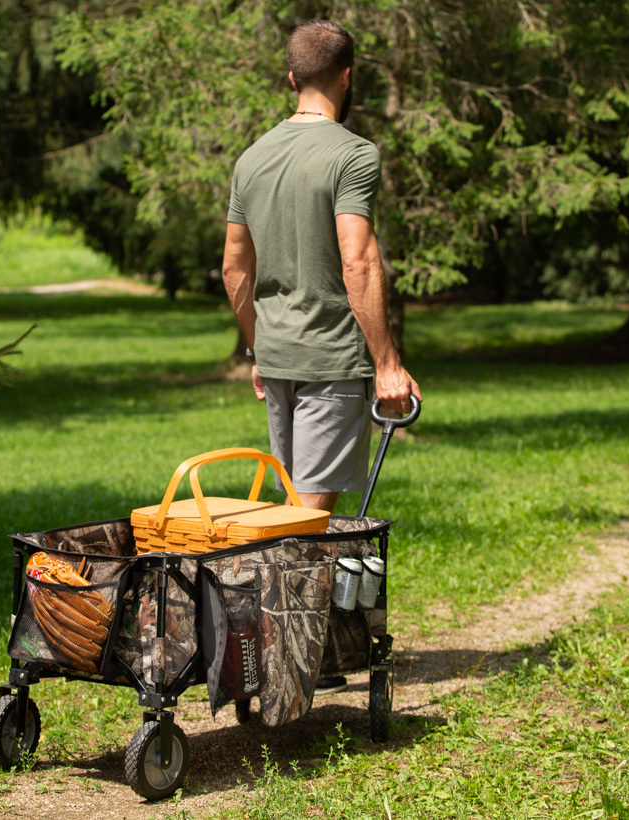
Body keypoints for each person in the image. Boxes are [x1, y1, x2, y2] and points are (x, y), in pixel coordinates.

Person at [222, 19, 421, 695]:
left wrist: (257, 344)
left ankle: (308, 657)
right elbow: (358, 259)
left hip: (277, 357)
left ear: (289, 79)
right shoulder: (352, 155)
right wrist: (387, 363)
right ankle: (280, 671)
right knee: (309, 521)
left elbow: (233, 269)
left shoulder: (252, 158)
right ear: (346, 76)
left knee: (297, 512)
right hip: (332, 360)